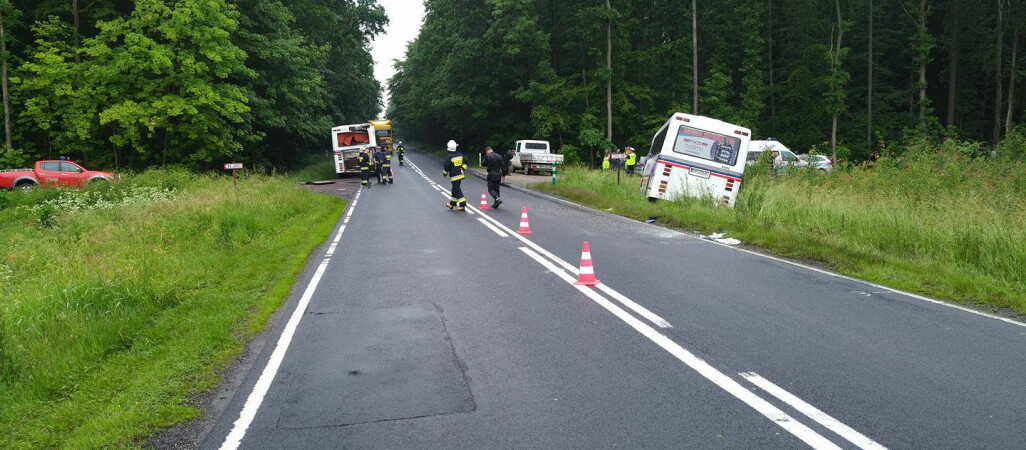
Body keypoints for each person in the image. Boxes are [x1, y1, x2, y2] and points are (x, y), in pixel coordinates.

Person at [443, 140, 468, 211]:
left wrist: (444, 173)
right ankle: (452, 204)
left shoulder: (449, 156)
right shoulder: (460, 155)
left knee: (456, 189)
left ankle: (462, 204)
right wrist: (463, 167)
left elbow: (446, 166)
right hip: (460, 176)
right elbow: (467, 161)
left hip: (454, 176)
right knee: (454, 189)